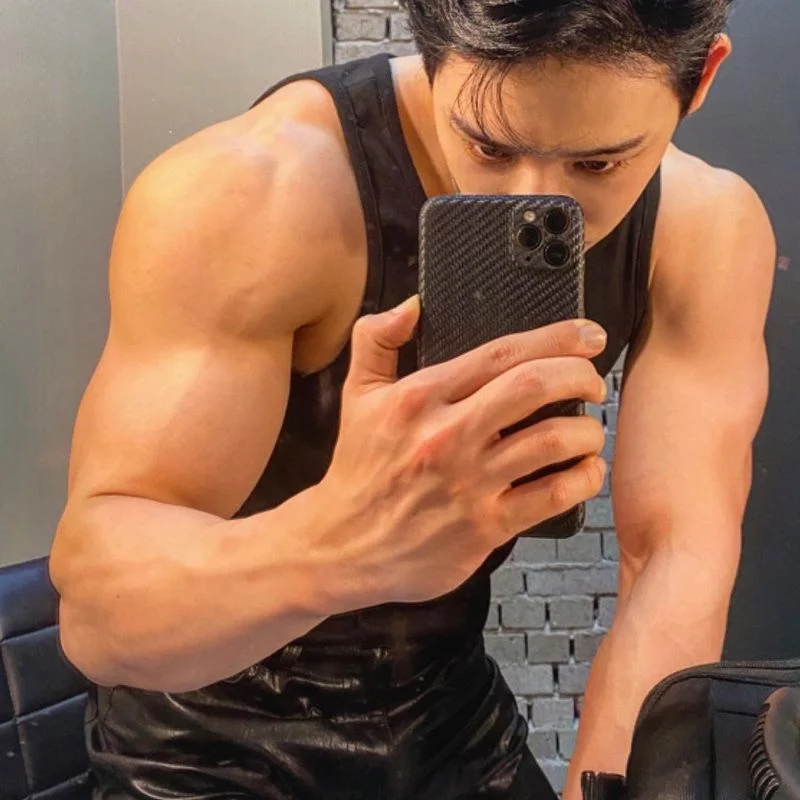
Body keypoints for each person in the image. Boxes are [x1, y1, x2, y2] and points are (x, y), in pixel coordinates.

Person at [50, 1, 776, 798]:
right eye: (488, 146)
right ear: (428, 52)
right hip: (197, 747)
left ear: (701, 78)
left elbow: (674, 557)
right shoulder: (252, 193)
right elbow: (99, 620)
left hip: (450, 725)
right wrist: (340, 546)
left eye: (598, 165)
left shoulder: (701, 229)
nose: (529, 195)